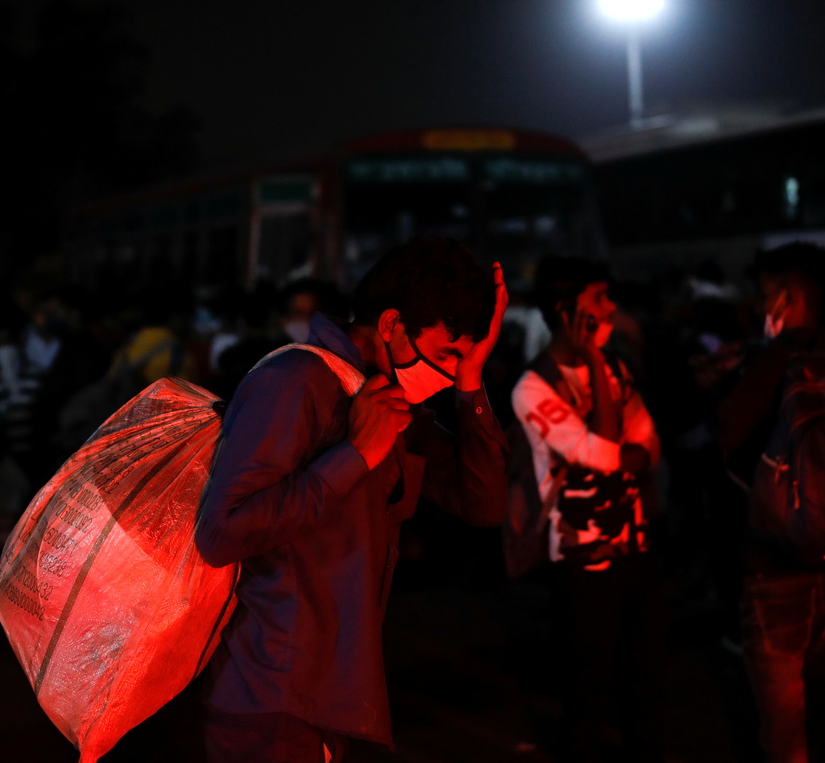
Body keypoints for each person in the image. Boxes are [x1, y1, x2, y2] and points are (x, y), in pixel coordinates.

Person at [194, 236, 510, 762]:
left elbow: (483, 504)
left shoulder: (388, 397)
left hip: (330, 696)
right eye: (444, 355)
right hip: (271, 698)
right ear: (391, 325)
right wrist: (355, 455)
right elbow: (221, 532)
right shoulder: (294, 381)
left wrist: (471, 383)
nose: (448, 372)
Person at [509, 255, 664, 762]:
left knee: (644, 682)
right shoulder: (532, 388)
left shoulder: (617, 369)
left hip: (635, 544)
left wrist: (622, 456)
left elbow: (649, 446)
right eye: (598, 298)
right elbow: (603, 455)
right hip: (581, 559)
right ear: (566, 311)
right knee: (587, 691)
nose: (610, 308)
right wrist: (595, 364)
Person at [717, 242, 825, 763]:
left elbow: (727, 433)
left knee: (783, 729)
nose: (758, 307)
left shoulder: (776, 359)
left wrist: (725, 384)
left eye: (765, 296)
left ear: (789, 299)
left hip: (774, 563)